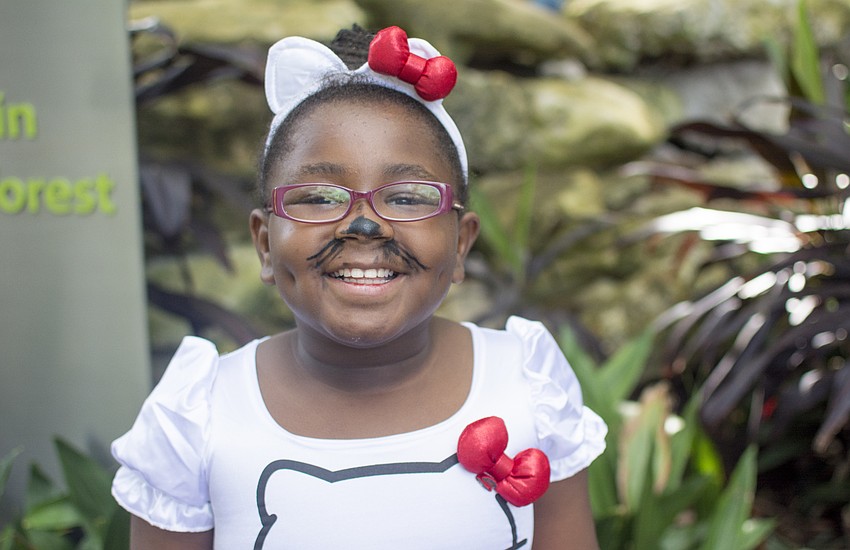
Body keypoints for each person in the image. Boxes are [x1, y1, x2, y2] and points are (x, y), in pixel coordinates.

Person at [111, 24, 607, 549]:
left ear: (461, 244)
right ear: (264, 243)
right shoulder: (201, 416)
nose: (365, 225)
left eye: (408, 197)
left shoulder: (525, 386)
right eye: (319, 197)